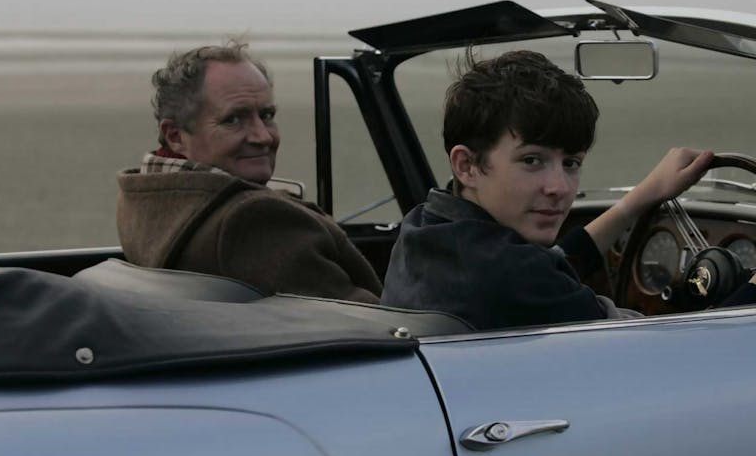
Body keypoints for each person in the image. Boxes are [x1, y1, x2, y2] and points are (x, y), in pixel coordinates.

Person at [380, 50, 756, 329]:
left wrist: (643, 197)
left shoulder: (428, 228)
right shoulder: (511, 278)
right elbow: (672, 357)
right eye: (532, 161)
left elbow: (551, 263)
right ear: (467, 165)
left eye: (571, 163)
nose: (559, 187)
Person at [116, 41, 381, 303]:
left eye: (266, 115)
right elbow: (378, 323)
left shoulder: (142, 201)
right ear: (175, 136)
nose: (263, 136)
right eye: (233, 119)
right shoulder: (257, 219)